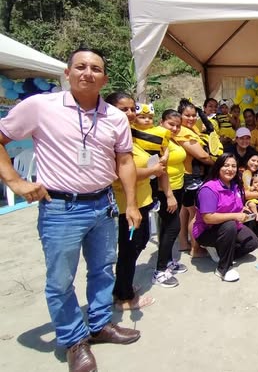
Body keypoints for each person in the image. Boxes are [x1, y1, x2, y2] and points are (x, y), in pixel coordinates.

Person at [0, 48, 141, 372]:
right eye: (80, 66)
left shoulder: (115, 117)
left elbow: (124, 160)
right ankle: (74, 340)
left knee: (103, 270)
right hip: (61, 208)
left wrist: (132, 203)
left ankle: (100, 324)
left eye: (95, 69)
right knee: (61, 280)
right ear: (67, 73)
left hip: (104, 204)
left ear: (104, 79)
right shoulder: (40, 107)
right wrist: (16, 182)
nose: (87, 73)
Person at [105, 92, 159, 311]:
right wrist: (153, 170)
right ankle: (123, 296)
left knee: (140, 240)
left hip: (142, 200)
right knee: (129, 247)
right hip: (126, 204)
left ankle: (122, 284)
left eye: (132, 109)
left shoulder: (129, 134)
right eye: (123, 109)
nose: (129, 113)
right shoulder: (110, 138)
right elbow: (121, 173)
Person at [194, 153, 258, 282]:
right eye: (226, 165)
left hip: (232, 226)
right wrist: (235, 215)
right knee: (229, 225)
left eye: (233, 166)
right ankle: (223, 268)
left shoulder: (235, 185)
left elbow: (234, 205)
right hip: (208, 230)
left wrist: (243, 210)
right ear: (218, 167)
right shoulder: (209, 189)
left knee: (252, 243)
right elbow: (208, 218)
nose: (230, 169)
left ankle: (221, 252)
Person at [153, 110, 187, 288]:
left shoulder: (171, 139)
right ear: (161, 122)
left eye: (177, 125)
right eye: (171, 124)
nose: (174, 128)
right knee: (173, 227)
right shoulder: (159, 141)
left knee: (168, 227)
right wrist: (169, 195)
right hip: (166, 191)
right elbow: (161, 169)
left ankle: (168, 262)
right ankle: (159, 271)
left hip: (178, 187)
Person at [174, 99, 213, 256]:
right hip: (191, 177)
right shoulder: (182, 132)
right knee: (195, 213)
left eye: (193, 115)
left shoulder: (189, 129)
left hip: (188, 176)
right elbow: (202, 155)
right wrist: (217, 162)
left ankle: (184, 242)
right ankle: (195, 249)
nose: (191, 118)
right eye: (187, 115)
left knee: (185, 210)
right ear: (180, 115)